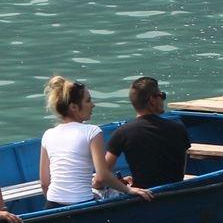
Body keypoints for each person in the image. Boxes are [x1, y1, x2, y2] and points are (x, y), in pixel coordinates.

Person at [39, 76, 152, 207]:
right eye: (88, 101)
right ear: (74, 107)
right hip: (82, 203)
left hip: (52, 203)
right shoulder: (92, 131)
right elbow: (102, 175)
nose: (93, 105)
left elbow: (45, 183)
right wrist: (129, 190)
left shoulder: (48, 135)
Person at [103, 77, 191, 191]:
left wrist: (120, 185)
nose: (163, 100)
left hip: (143, 196)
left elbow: (103, 175)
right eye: (162, 95)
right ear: (152, 100)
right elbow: (181, 170)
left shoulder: (122, 133)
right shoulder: (178, 129)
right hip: (174, 192)